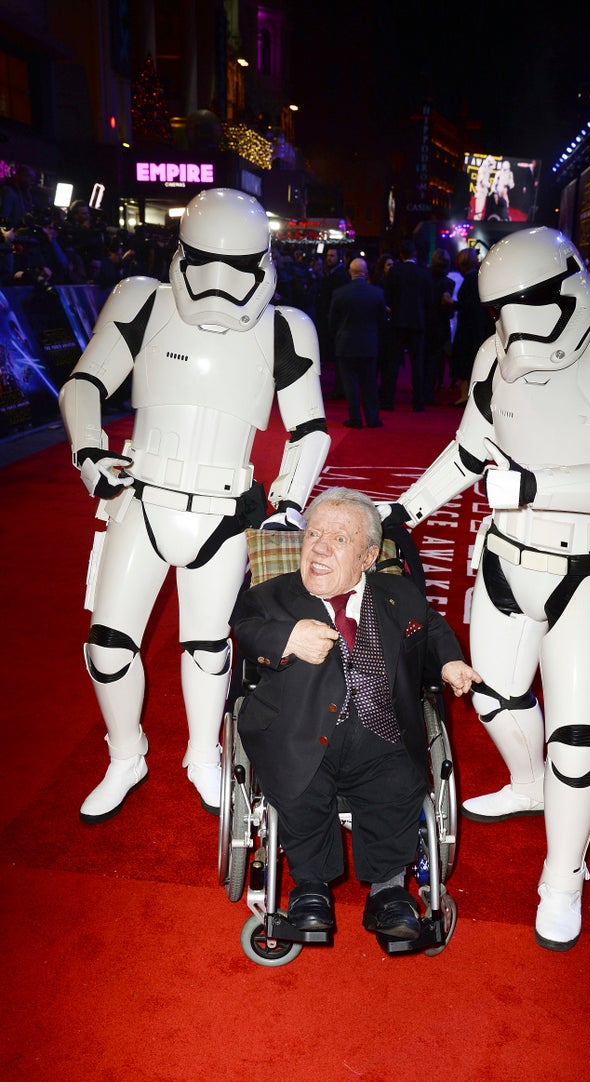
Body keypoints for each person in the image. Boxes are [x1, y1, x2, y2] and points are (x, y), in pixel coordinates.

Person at [380, 227, 590, 951]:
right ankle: (530, 783)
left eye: (525, 304)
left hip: (587, 570)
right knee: (489, 692)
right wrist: (402, 512)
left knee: (577, 741)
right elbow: (468, 450)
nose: (513, 327)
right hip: (508, 556)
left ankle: (563, 875)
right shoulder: (495, 358)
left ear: (567, 288)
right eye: (500, 310)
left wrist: (538, 485)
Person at [58, 188, 331, 824]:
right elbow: (84, 383)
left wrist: (289, 501)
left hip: (225, 509)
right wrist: (90, 453)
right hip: (142, 498)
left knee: (209, 648)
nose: (218, 282)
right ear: (181, 251)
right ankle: (126, 754)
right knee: (106, 646)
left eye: (237, 265)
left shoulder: (285, 327)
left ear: (263, 262)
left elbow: (310, 427)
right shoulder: (143, 302)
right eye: (205, 260)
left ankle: (202, 754)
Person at [233, 487, 480, 941]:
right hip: (297, 733)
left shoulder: (397, 595)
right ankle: (310, 885)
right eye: (314, 535)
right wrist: (287, 639)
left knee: (398, 789)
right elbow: (245, 631)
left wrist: (448, 661)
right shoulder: (270, 597)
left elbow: (433, 626)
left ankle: (388, 889)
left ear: (368, 556)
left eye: (339, 540)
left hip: (380, 736)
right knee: (299, 789)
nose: (320, 548)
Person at [328, 256, 386, 429]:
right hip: (369, 342)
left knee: (350, 384)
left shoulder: (339, 293)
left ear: (350, 272)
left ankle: (355, 418)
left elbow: (332, 321)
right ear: (366, 272)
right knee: (369, 383)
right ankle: (372, 418)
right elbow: (382, 321)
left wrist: (337, 336)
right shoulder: (377, 293)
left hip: (346, 343)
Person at [380, 238, 432, 412]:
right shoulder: (423, 273)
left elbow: (387, 296)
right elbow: (429, 300)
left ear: (400, 254)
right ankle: (418, 401)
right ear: (414, 253)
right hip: (417, 322)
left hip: (397, 322)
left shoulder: (394, 271)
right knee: (418, 364)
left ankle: (388, 400)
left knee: (392, 363)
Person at [448, 247, 494, 406]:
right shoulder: (480, 277)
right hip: (480, 325)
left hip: (469, 326)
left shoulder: (470, 279)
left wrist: (453, 304)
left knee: (464, 359)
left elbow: (468, 304)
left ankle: (465, 394)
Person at [314, 246, 350, 399]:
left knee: (338, 357)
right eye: (328, 255)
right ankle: (339, 387)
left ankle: (340, 388)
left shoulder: (339, 275)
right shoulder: (332, 273)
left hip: (334, 321)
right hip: (330, 319)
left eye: (332, 256)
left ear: (339, 257)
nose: (329, 258)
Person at [424, 248, 455, 403]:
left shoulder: (424, 279)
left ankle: (421, 392)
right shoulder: (449, 283)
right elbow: (447, 309)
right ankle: (429, 393)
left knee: (422, 360)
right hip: (440, 325)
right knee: (434, 361)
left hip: (424, 324)